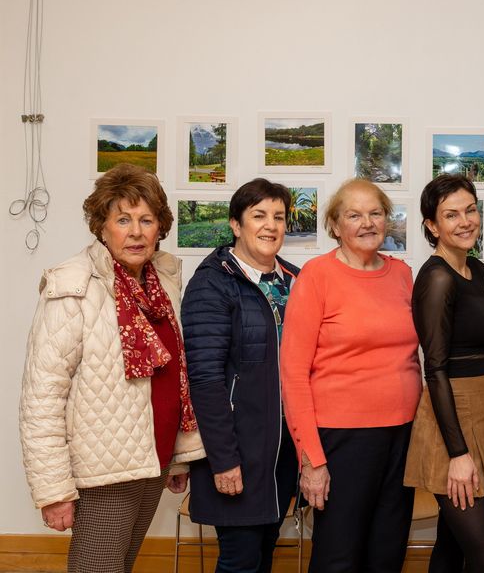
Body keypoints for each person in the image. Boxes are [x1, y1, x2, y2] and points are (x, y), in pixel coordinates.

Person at [19, 164, 204, 573]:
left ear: (160, 227)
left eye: (146, 220)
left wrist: (178, 456)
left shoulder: (164, 282)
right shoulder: (74, 287)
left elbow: (174, 377)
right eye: (123, 220)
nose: (136, 232)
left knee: (119, 565)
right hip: (104, 469)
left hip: (151, 459)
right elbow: (42, 398)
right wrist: (53, 489)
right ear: (102, 227)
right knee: (97, 568)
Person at [280, 178, 422, 572]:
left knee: (387, 552)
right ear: (335, 225)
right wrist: (312, 460)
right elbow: (293, 375)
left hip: (402, 436)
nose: (367, 222)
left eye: (375, 213)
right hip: (341, 439)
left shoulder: (401, 275)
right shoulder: (316, 275)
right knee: (338, 557)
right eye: (354, 215)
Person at [181, 179, 300, 573]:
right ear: (236, 224)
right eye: (259, 216)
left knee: (264, 552)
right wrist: (223, 460)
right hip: (237, 450)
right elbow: (206, 379)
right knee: (240, 561)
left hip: (282, 450)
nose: (271, 226)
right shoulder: (213, 283)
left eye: (279, 217)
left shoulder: (296, 281)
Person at [404, 175, 484, 573]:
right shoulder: (436, 278)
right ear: (432, 226)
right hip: (451, 419)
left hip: (482, 410)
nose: (465, 221)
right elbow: (435, 368)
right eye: (451, 215)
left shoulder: (476, 270)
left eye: (470, 210)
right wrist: (458, 453)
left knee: (452, 546)